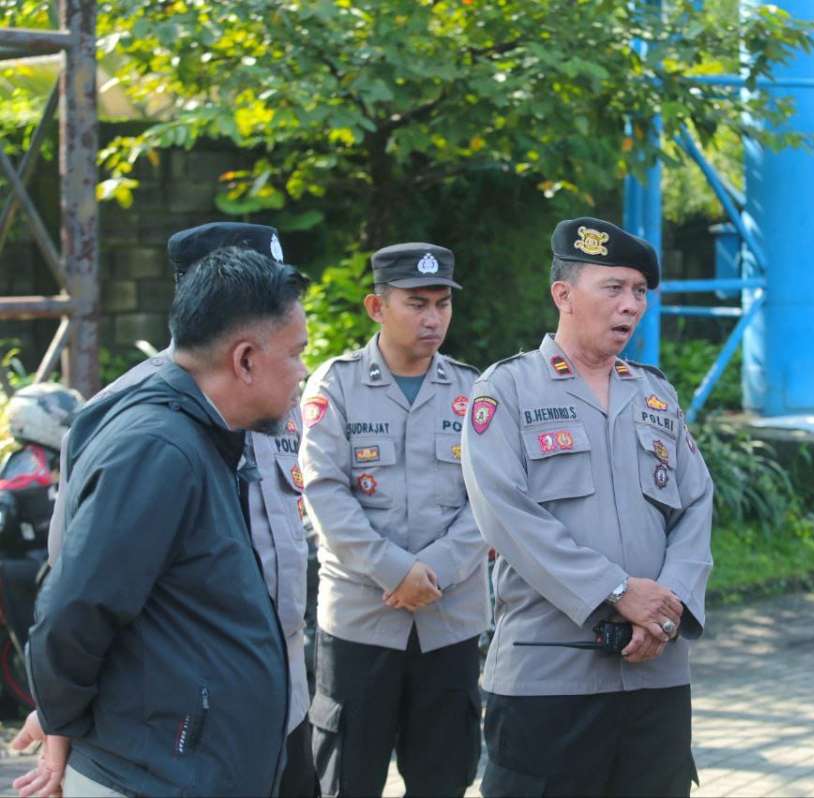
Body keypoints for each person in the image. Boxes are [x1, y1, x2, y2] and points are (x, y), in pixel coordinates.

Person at [15, 222, 316, 798]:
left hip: (225, 742)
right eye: (297, 354)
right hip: (168, 759)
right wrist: (62, 721)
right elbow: (75, 606)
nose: (304, 372)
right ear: (245, 358)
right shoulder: (157, 444)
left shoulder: (212, 422)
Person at [461, 216, 713, 797]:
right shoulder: (507, 390)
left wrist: (666, 606)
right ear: (563, 294)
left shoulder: (655, 393)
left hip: (656, 671)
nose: (630, 305)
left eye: (640, 292)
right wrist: (618, 592)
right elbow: (505, 513)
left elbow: (697, 503)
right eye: (614, 288)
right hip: (548, 677)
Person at [299, 243, 489, 797]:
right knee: (348, 779)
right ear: (377, 307)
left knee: (444, 777)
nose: (433, 318)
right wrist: (393, 571)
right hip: (362, 619)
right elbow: (323, 491)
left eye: (441, 304)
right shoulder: (336, 386)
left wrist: (433, 570)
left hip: (449, 619)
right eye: (416, 303)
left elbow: (492, 496)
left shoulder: (472, 390)